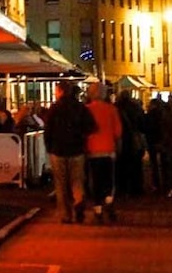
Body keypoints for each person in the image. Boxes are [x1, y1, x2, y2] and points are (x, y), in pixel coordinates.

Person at [44, 80, 97, 224]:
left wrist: (49, 146)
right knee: (77, 181)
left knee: (61, 184)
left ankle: (66, 214)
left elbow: (47, 130)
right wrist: (81, 136)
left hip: (58, 150)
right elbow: (91, 127)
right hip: (77, 150)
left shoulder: (54, 109)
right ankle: (79, 201)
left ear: (61, 91)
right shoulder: (80, 107)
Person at [85, 82, 122, 223]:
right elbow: (118, 132)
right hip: (108, 149)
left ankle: (98, 207)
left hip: (91, 150)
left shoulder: (87, 110)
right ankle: (108, 199)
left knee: (95, 180)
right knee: (109, 179)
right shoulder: (111, 110)